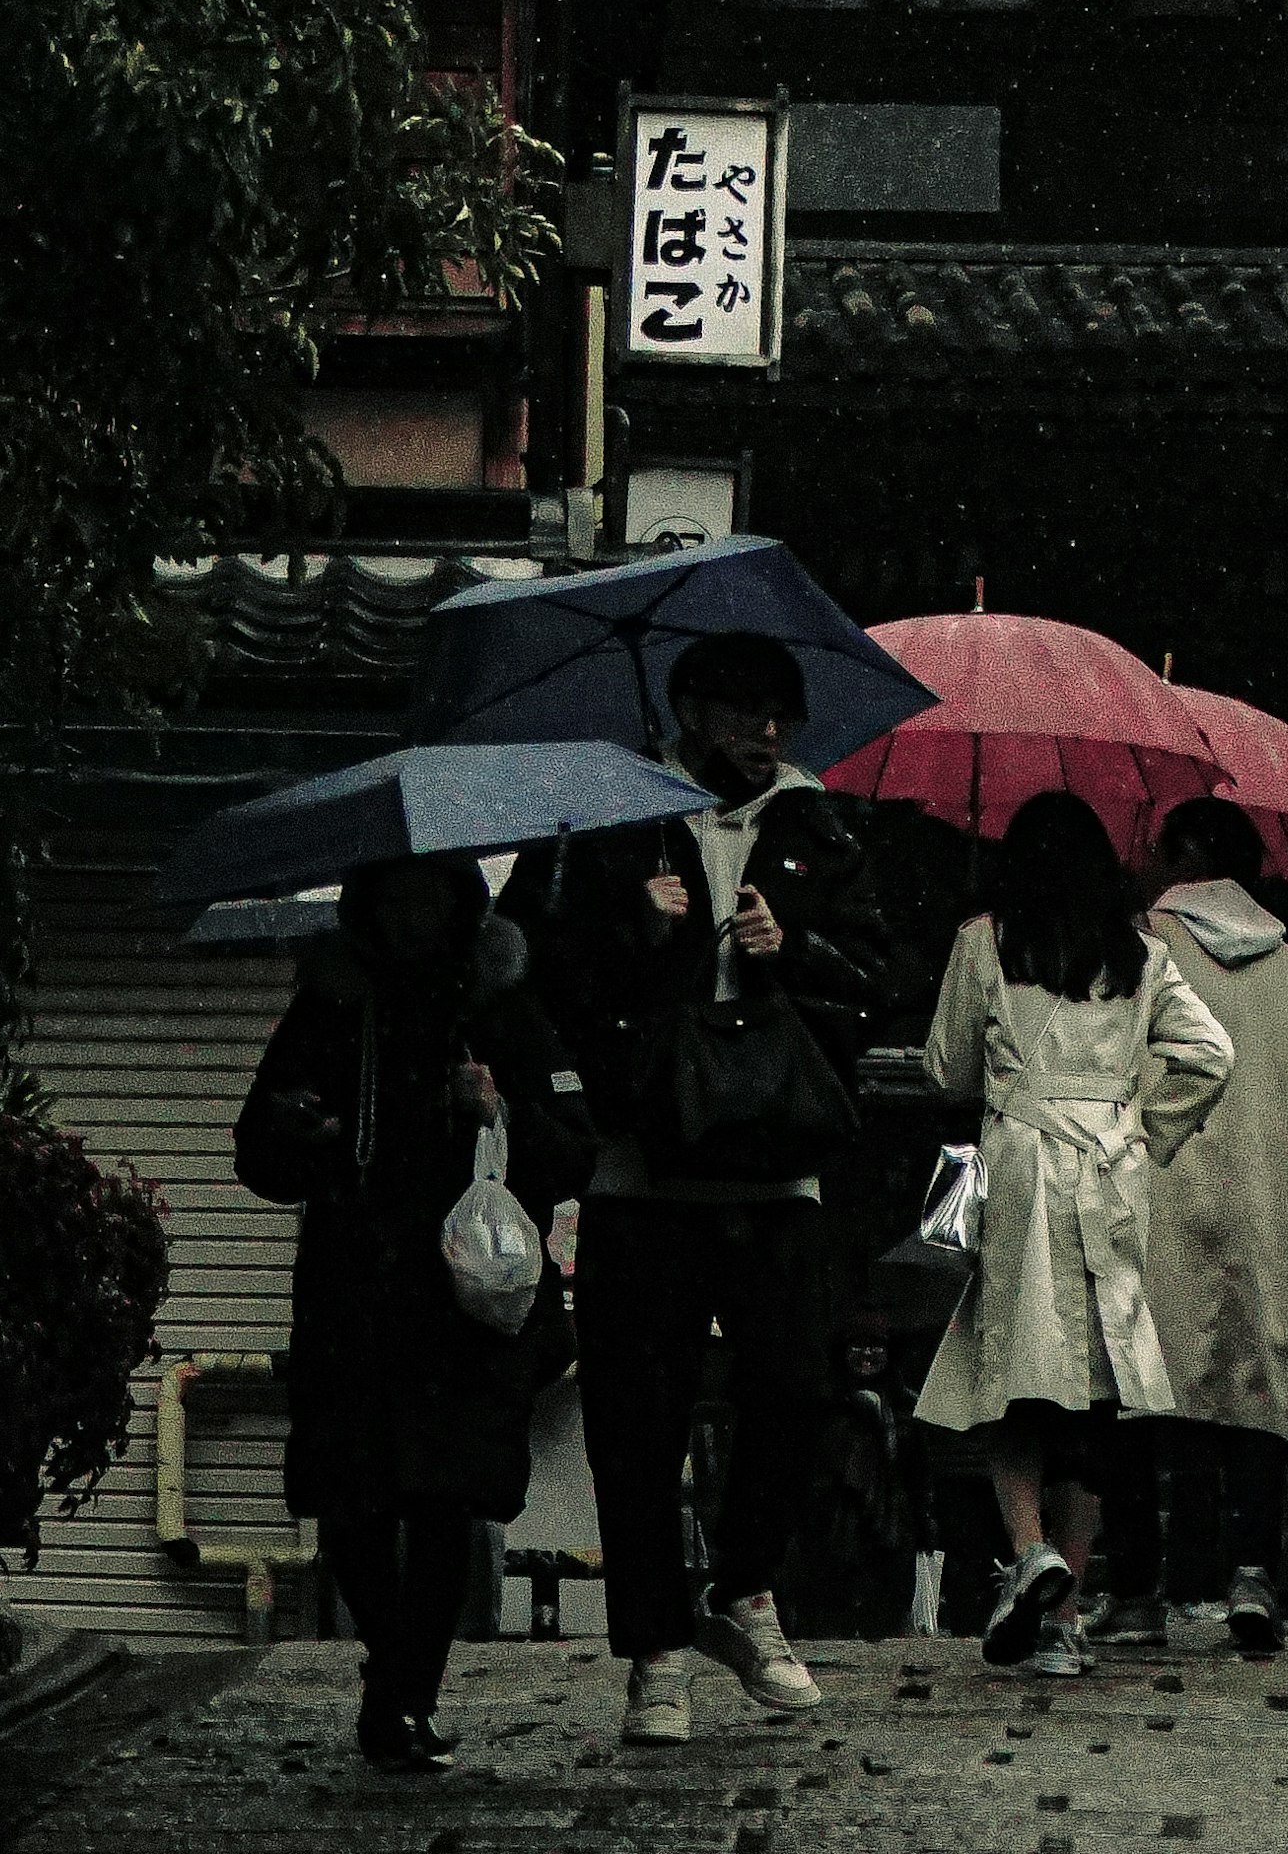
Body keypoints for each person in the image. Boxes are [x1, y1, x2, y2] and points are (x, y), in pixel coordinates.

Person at [533, 628, 895, 1749]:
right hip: (644, 1173)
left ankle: (744, 1590)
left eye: (781, 715)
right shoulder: (611, 825)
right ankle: (655, 1654)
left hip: (777, 1164)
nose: (768, 735)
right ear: (689, 710)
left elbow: (881, 981)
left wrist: (795, 950)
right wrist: (641, 936)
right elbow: (555, 985)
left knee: (795, 1389)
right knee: (634, 1424)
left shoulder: (819, 827)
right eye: (744, 711)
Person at [232, 854, 590, 1777]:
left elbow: (568, 1156)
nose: (410, 914)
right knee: (353, 1494)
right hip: (355, 1287)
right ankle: (390, 1675)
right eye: (393, 896)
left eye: (427, 894)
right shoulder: (333, 1008)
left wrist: (494, 1110)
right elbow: (257, 1155)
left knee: (442, 1498)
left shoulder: (501, 1010)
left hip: (459, 1298)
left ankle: (410, 1691)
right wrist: (301, 1129)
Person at [915, 787, 1237, 1679]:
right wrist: (1142, 1126)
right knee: (1096, 1392)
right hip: (1113, 1172)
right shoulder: (1139, 953)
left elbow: (946, 1067)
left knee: (1014, 1376)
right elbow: (1212, 1055)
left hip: (1021, 1168)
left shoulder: (983, 941)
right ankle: (1066, 1619)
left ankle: (1028, 1556)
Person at [1100, 795, 1288, 1660]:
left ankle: (1138, 1591)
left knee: (1137, 1380)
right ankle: (1254, 1571)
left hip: (1158, 1176)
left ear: (1183, 853)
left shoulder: (1143, 945)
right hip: (1262, 1192)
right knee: (1255, 1377)